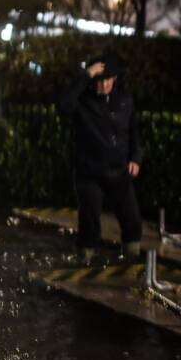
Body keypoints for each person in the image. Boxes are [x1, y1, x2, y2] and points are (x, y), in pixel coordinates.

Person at [59, 53, 143, 263]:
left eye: (108, 80)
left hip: (119, 171)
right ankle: (85, 260)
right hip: (90, 172)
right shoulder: (83, 102)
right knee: (89, 223)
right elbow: (64, 104)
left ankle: (131, 257)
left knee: (132, 220)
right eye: (99, 80)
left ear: (114, 80)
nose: (104, 85)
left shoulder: (125, 101)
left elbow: (134, 132)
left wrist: (136, 157)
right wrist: (86, 75)